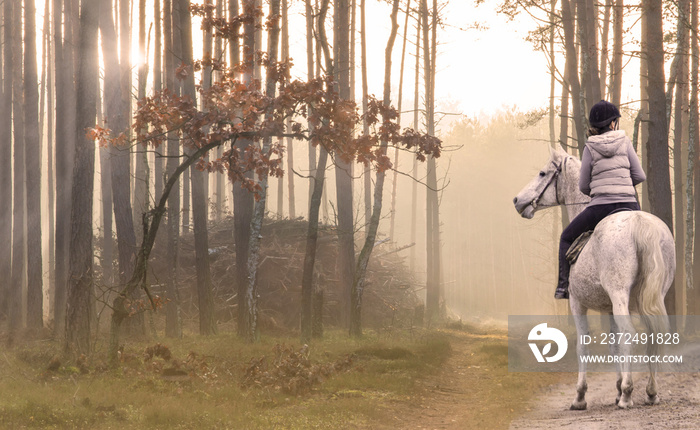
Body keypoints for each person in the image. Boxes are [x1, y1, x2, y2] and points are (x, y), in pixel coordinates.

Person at [555, 100, 646, 299]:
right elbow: (640, 176)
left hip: (600, 208)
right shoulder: (625, 142)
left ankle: (563, 287)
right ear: (613, 123)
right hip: (629, 205)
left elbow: (583, 185)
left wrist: (599, 191)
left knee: (566, 238)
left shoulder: (590, 147)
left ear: (596, 125)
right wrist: (622, 185)